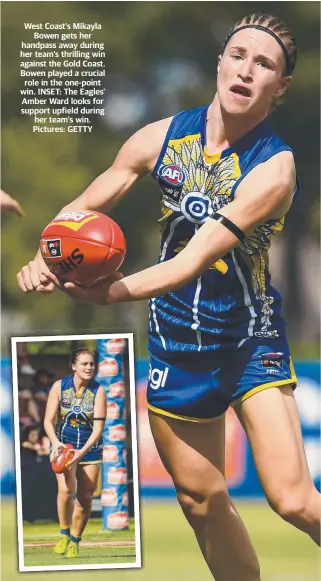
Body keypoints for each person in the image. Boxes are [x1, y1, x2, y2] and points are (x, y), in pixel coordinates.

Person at [17, 13, 320, 580]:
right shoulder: (158, 137)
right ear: (219, 62)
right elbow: (80, 214)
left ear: (280, 88)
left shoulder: (274, 168)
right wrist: (46, 257)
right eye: (238, 55)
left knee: (293, 499)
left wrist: (106, 296)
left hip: (247, 344)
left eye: (264, 65)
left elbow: (189, 263)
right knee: (199, 500)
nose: (246, 69)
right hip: (175, 346)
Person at [43, 348, 106, 559]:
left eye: (91, 364)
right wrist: (56, 443)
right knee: (66, 490)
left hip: (90, 448)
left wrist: (81, 453)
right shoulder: (59, 387)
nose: (89, 368)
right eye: (84, 364)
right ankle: (63, 533)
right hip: (63, 446)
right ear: (74, 366)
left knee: (86, 497)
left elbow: (98, 430)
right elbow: (48, 421)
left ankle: (75, 541)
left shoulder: (99, 391)